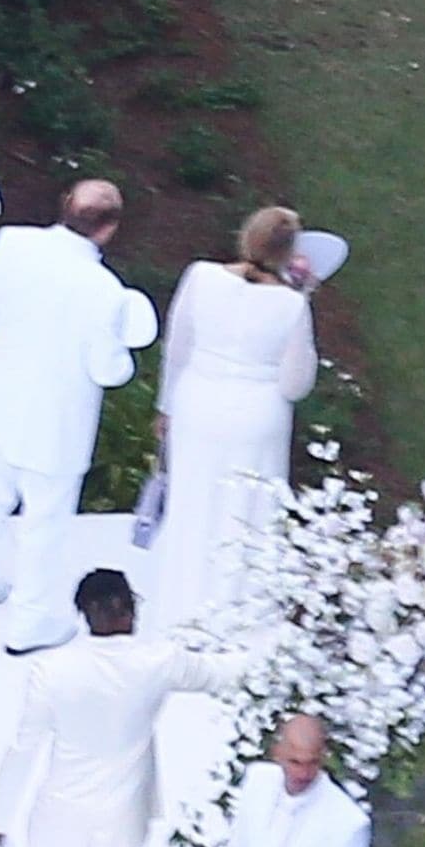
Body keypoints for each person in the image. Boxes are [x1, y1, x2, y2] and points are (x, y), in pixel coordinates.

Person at [0, 180, 158, 655]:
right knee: (44, 522)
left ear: (65, 206)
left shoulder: (13, 243)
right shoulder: (105, 291)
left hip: (0, 402)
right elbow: (107, 370)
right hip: (55, 424)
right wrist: (127, 356)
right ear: (108, 230)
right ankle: (30, 620)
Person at [0, 569, 250, 847]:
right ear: (129, 609)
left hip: (57, 821)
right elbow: (225, 672)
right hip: (123, 825)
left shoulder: (51, 670)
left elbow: (23, 748)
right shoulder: (159, 660)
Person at [146, 207, 318, 634]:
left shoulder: (200, 277)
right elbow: (296, 384)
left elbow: (178, 347)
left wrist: (165, 407)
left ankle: (181, 605)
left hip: (198, 404)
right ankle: (235, 614)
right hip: (256, 417)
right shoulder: (292, 305)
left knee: (193, 502)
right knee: (245, 513)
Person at [228, 714, 371, 847]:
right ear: (277, 753)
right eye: (295, 762)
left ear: (323, 757)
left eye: (312, 763)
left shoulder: (349, 823)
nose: (303, 774)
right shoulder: (257, 780)